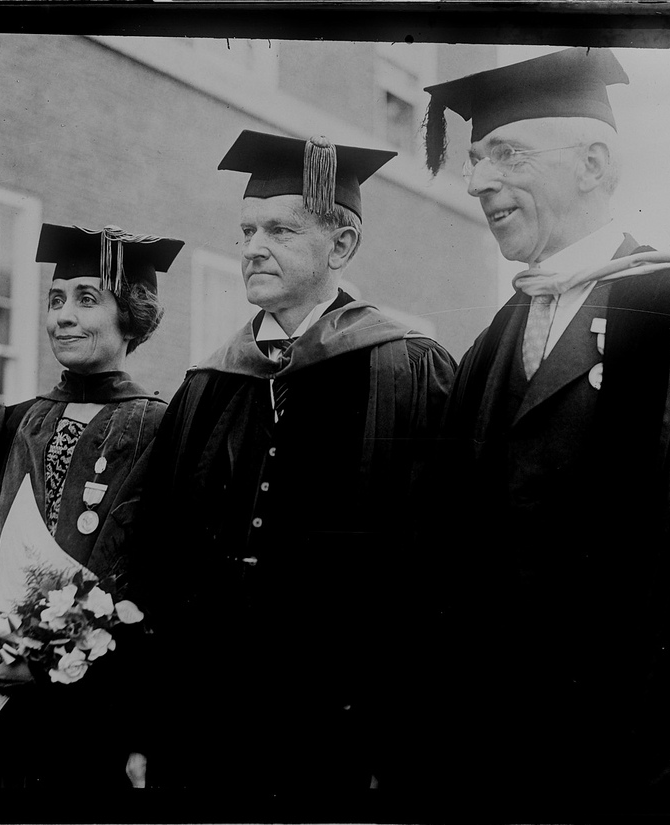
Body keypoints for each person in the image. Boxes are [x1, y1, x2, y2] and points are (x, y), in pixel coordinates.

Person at [423, 48, 670, 811]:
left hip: (635, 747)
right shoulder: (495, 336)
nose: (478, 181)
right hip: (497, 751)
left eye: (507, 154)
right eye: (475, 160)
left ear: (593, 164)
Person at [134, 130, 457, 796]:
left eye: (280, 230)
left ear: (342, 245)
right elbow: (160, 557)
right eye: (246, 231)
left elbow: (438, 564)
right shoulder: (209, 384)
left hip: (340, 729)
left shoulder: (407, 371)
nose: (253, 247)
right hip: (206, 724)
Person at [0, 222, 183, 812]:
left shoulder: (165, 430)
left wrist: (56, 660)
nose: (63, 316)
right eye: (56, 299)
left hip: (92, 716)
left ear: (131, 315)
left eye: (87, 299)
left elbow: (162, 577)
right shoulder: (12, 423)